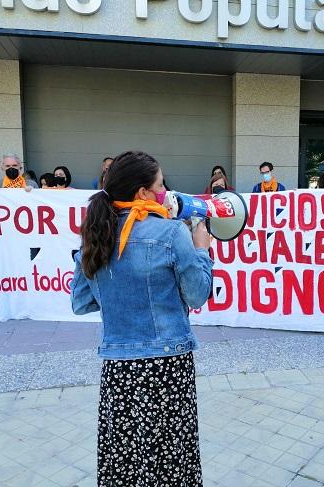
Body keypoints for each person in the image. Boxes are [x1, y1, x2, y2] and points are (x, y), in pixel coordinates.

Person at [71, 150, 213, 487]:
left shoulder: (96, 232)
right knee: (171, 458)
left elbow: (81, 302)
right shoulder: (171, 233)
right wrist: (202, 250)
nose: (166, 192)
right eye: (161, 185)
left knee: (125, 458)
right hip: (167, 365)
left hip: (119, 367)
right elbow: (197, 295)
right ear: (142, 193)